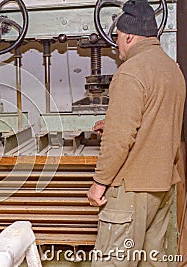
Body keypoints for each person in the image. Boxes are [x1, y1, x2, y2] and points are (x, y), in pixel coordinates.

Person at [86, 0, 185, 266]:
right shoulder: (172, 70)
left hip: (131, 191)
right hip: (161, 186)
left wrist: (99, 183)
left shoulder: (130, 72)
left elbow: (119, 141)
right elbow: (159, 120)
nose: (117, 43)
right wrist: (115, 122)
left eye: (117, 37)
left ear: (129, 35)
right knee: (152, 261)